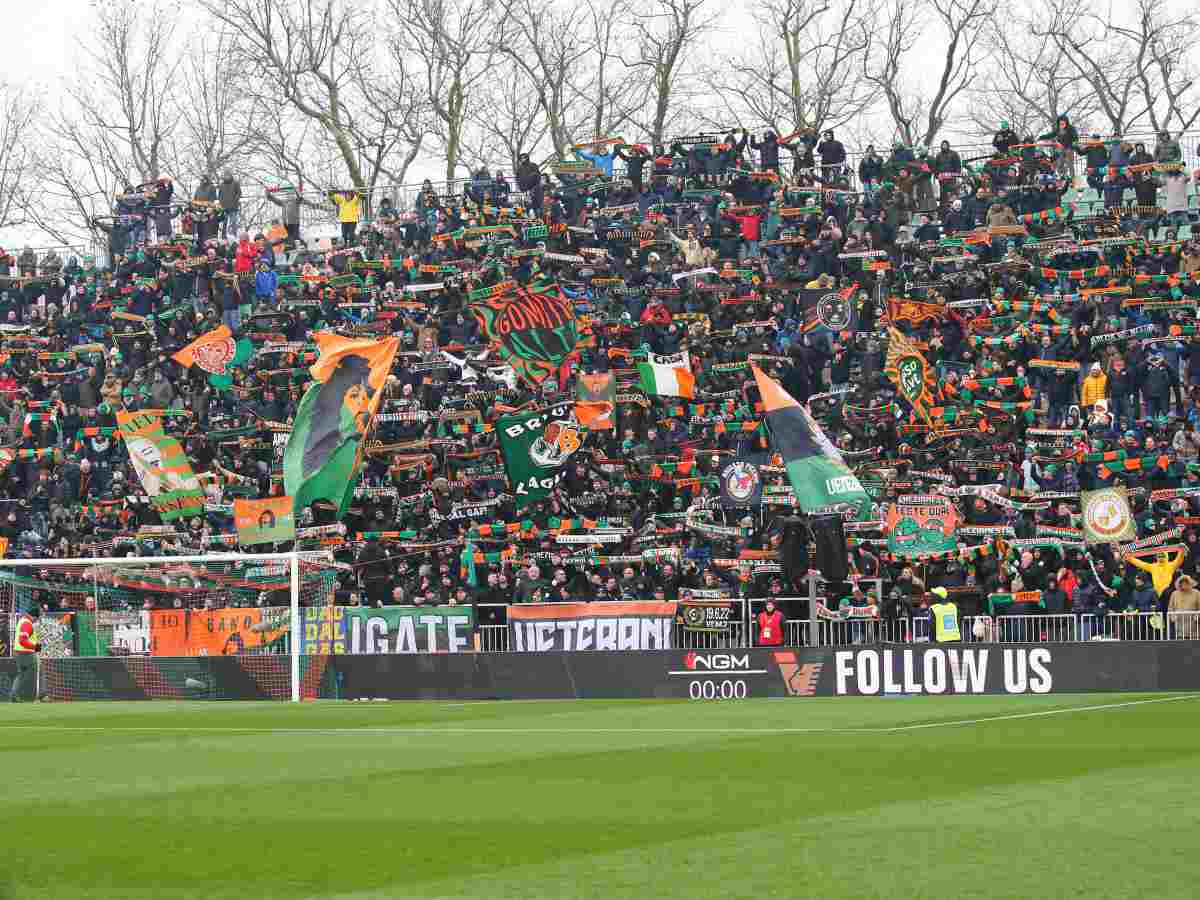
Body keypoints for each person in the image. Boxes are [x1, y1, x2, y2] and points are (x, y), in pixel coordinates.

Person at [10, 606, 40, 702]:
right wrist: (35, 647)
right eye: (37, 619)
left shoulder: (22, 621)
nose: (36, 621)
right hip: (27, 654)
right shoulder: (27, 624)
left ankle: (14, 695)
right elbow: (22, 640)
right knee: (41, 671)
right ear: (34, 617)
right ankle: (42, 694)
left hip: (19, 653)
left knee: (21, 675)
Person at [219, 170, 242, 239]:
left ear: (230, 176)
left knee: (233, 222)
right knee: (224, 223)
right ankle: (224, 236)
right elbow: (220, 194)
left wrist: (235, 200)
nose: (226, 177)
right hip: (224, 207)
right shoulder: (222, 184)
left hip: (233, 207)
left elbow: (239, 193)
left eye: (228, 175)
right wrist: (221, 202)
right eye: (225, 175)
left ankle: (234, 236)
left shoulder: (235, 183)